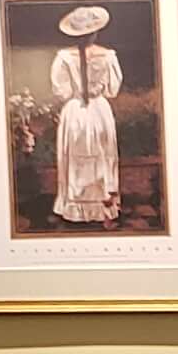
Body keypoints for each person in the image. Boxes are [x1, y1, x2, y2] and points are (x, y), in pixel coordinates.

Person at [53, 42, 122, 225]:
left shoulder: (64, 57)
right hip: (98, 109)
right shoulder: (107, 55)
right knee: (98, 154)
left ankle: (90, 205)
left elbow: (62, 91)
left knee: (90, 154)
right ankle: (98, 205)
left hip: (76, 109)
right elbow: (112, 89)